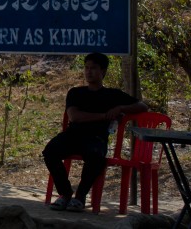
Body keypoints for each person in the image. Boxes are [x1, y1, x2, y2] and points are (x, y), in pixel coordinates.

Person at [43, 52, 148, 212]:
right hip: (73, 135)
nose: (89, 71)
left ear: (103, 71)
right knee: (50, 151)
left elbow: (142, 106)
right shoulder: (76, 93)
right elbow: (74, 116)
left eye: (93, 68)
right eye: (86, 68)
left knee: (96, 157)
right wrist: (104, 116)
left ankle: (80, 197)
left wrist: (120, 108)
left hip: (96, 138)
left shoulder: (113, 95)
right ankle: (65, 193)